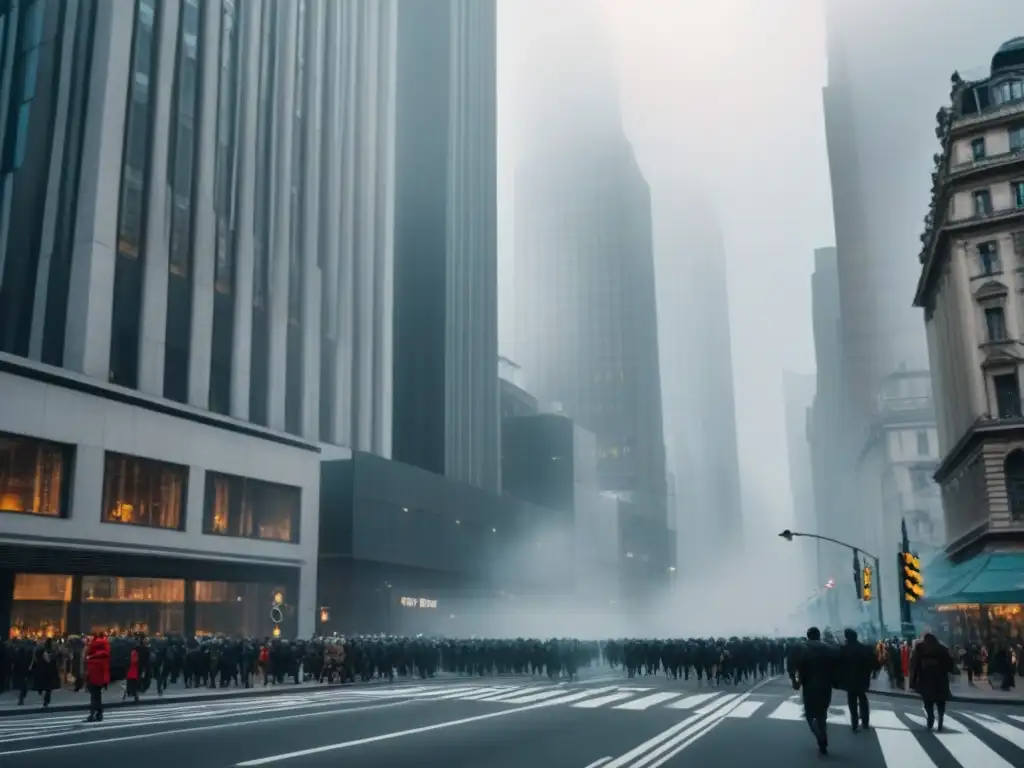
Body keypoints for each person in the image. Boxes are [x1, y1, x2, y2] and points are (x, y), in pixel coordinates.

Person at [794, 626, 840, 755]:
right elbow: (835, 667)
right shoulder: (829, 649)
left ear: (808, 636)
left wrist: (797, 682)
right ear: (819, 636)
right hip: (825, 686)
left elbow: (799, 668)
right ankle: (823, 737)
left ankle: (819, 736)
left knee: (809, 715)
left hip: (809, 686)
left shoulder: (802, 650)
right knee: (822, 715)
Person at [909, 633, 956, 731]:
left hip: (925, 679)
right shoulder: (942, 649)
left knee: (928, 702)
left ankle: (930, 718)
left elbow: (914, 665)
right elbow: (950, 664)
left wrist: (912, 682)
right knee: (941, 702)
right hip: (941, 679)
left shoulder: (920, 648)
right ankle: (941, 720)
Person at [839, 628, 877, 732]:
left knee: (852, 703)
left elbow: (839, 665)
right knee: (863, 700)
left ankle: (854, 723)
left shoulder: (843, 649)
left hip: (849, 680)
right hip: (863, 679)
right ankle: (865, 722)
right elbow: (873, 663)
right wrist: (870, 673)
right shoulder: (865, 648)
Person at [84, 633, 111, 722]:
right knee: (98, 695)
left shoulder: (91, 658)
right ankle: (99, 714)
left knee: (94, 696)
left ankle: (93, 714)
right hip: (101, 679)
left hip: (93, 679)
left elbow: (87, 670)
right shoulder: (104, 657)